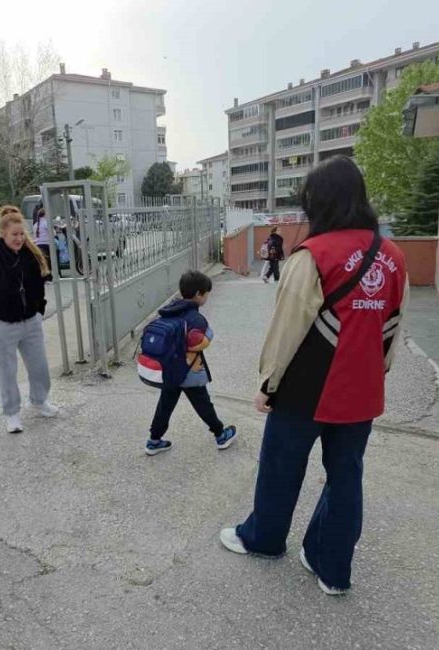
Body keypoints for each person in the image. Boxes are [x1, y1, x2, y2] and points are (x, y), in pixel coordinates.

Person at [218, 156, 408, 597]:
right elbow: (396, 324)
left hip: (307, 388)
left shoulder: (315, 255)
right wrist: (376, 373)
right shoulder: (393, 256)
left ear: (318, 202)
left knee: (282, 468)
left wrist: (268, 383)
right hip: (362, 390)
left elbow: (287, 328)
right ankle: (331, 566)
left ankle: (263, 539)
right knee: (346, 476)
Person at [0, 205, 59, 434]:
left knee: (39, 367)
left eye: (21, 234)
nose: (19, 239)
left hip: (31, 323)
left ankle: (39, 401)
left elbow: (39, 286)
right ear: (3, 234)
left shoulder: (31, 256)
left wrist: (39, 309)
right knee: (7, 372)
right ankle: (12, 414)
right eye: (14, 235)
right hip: (3, 326)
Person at [145, 270, 237, 456]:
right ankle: (220, 434)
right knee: (203, 403)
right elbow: (196, 342)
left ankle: (154, 440)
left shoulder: (170, 309)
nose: (207, 297)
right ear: (198, 295)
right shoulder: (195, 318)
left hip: (170, 368)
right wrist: (209, 334)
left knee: (165, 404)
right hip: (188, 370)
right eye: (207, 294)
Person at [32, 204, 53, 273]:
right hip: (46, 244)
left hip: (38, 245)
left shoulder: (35, 225)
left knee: (42, 261)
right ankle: (49, 275)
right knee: (49, 261)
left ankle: (44, 275)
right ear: (44, 215)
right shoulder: (46, 223)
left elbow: (35, 236)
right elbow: (53, 232)